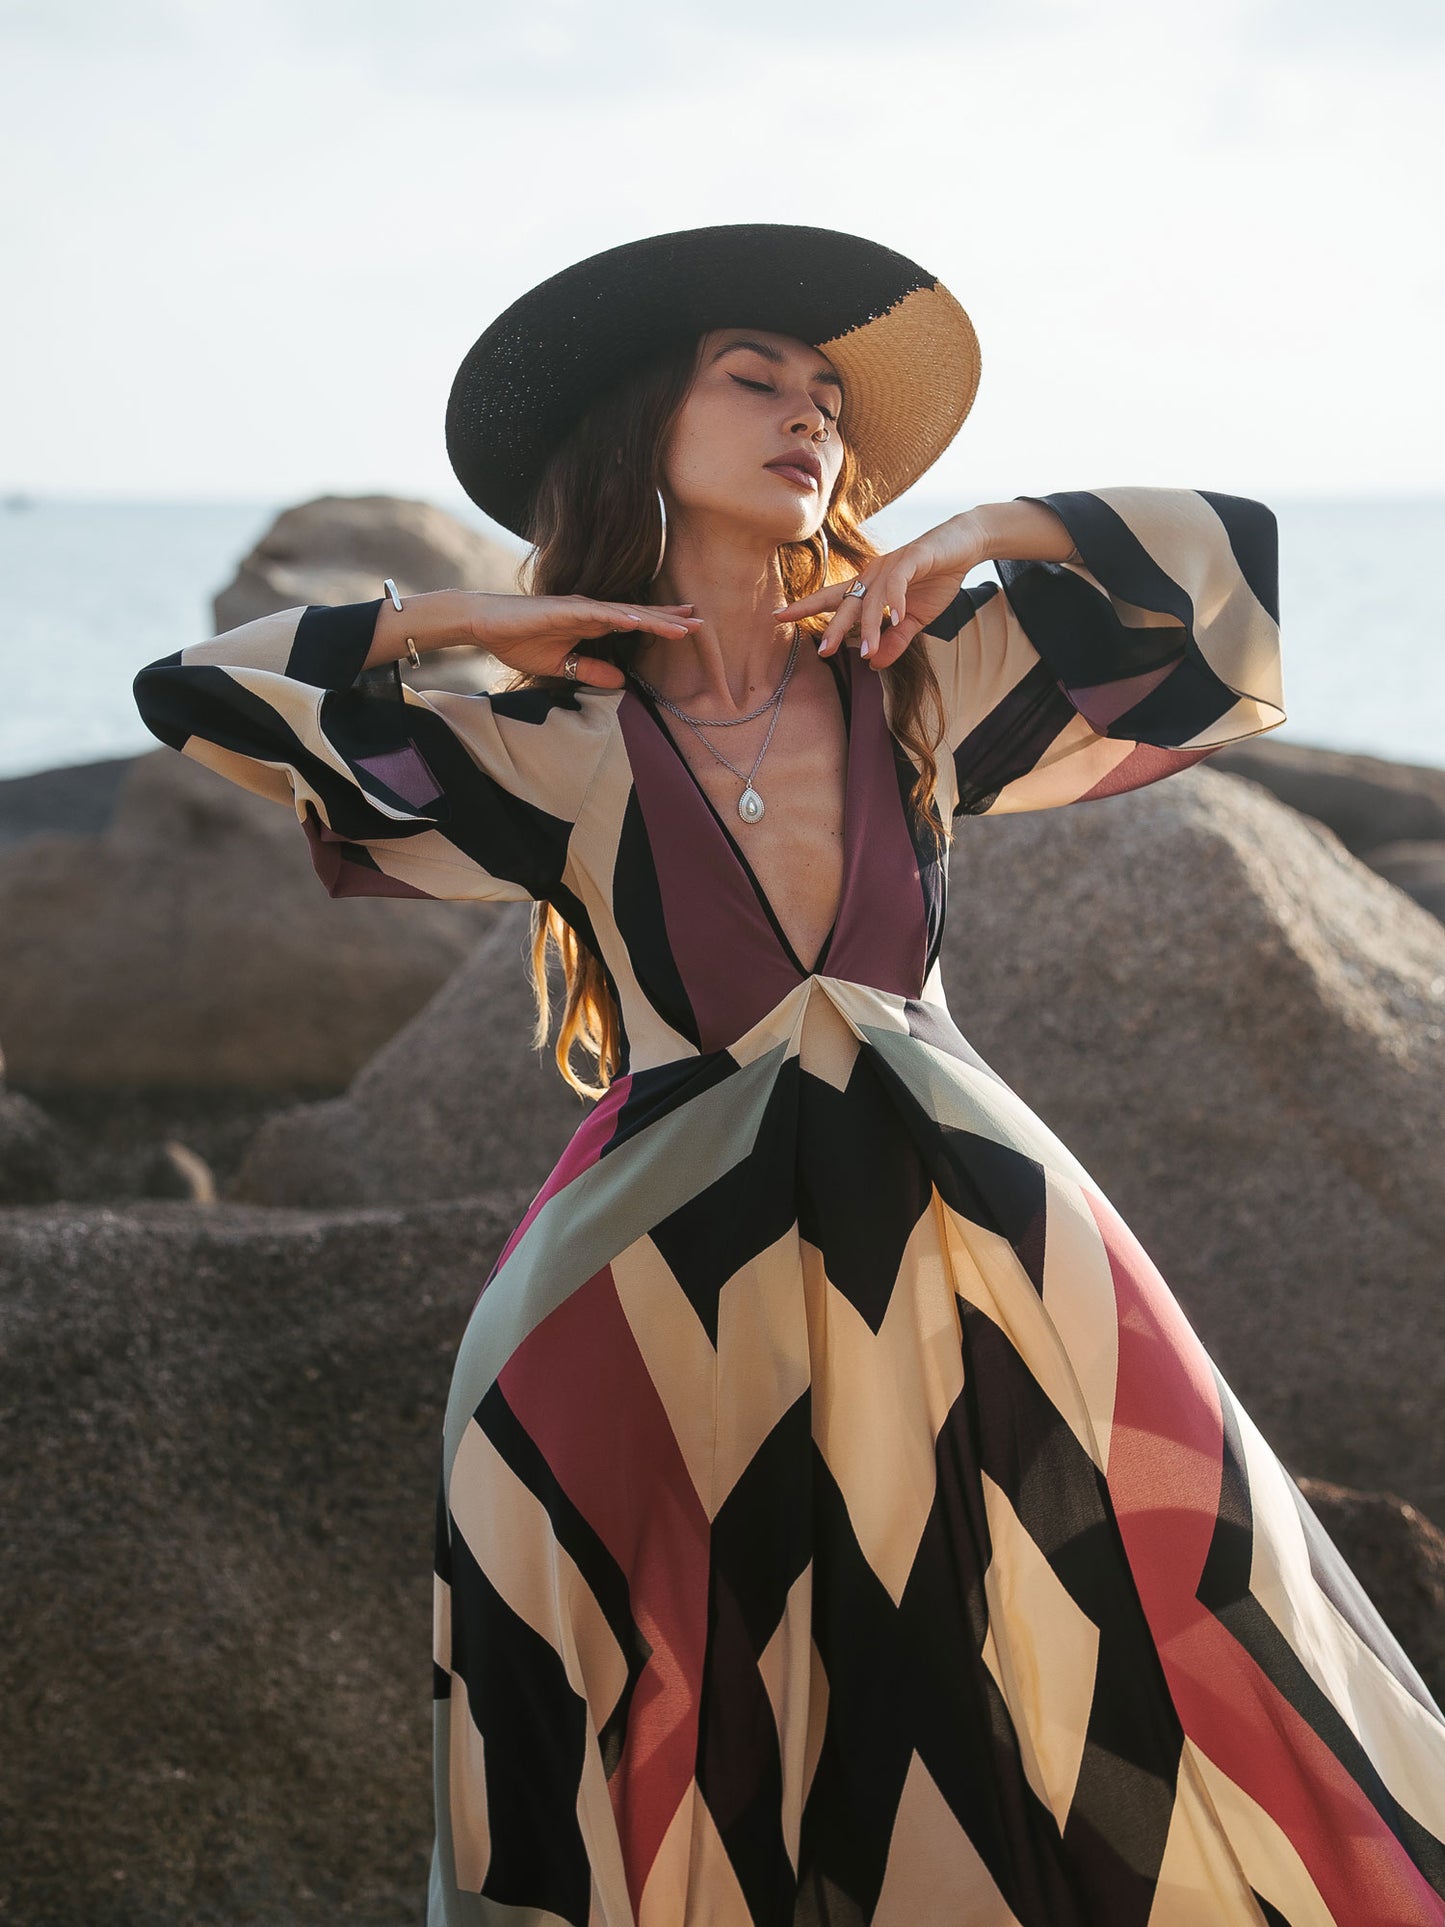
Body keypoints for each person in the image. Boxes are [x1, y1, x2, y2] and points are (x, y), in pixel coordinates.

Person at [132, 223, 1445, 1925]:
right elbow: (203, 698)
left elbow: (1223, 588)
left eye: (828, 397)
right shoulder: (557, 749)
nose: (807, 417)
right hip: (654, 1295)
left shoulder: (926, 690)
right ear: (635, 434)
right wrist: (486, 614)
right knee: (659, 1739)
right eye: (750, 379)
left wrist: (978, 530)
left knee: (1106, 1660)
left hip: (974, 1256)